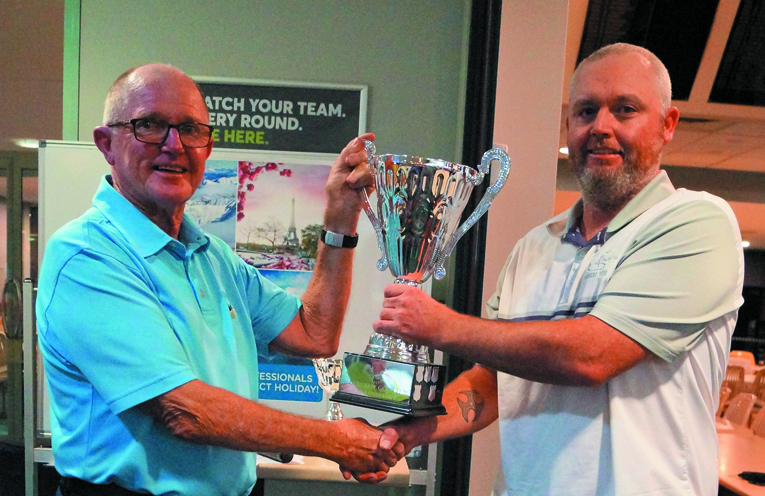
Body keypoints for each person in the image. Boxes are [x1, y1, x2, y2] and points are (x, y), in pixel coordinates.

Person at [365, 43, 745, 495]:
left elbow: (593, 356)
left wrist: (441, 327)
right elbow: (493, 384)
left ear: (667, 124)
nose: (601, 127)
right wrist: (411, 432)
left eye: (625, 109)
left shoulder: (695, 223)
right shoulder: (534, 247)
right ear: (568, 126)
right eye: (586, 111)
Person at [36, 63, 403, 496]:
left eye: (190, 129)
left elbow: (314, 333)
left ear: (207, 147)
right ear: (107, 144)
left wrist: (341, 215)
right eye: (149, 125)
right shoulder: (87, 255)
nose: (174, 145)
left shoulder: (212, 257)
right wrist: (336, 441)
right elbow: (183, 411)